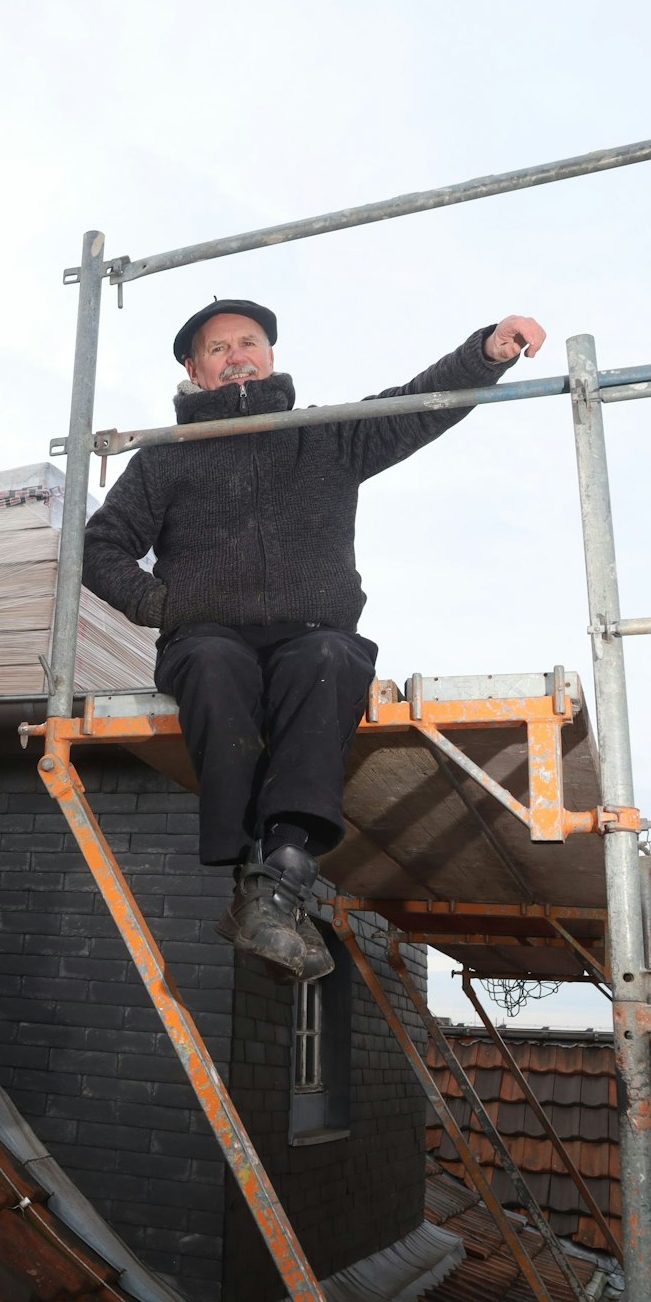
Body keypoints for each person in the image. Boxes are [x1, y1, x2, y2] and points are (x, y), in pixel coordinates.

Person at [83, 299, 544, 982]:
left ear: (269, 355)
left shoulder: (323, 436)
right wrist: (161, 603)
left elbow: (416, 406)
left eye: (249, 342)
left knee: (332, 658)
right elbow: (102, 546)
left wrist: (486, 353)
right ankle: (249, 871)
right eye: (218, 348)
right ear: (195, 369)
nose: (237, 354)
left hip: (311, 633)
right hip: (206, 636)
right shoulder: (165, 460)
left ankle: (283, 875)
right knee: (213, 661)